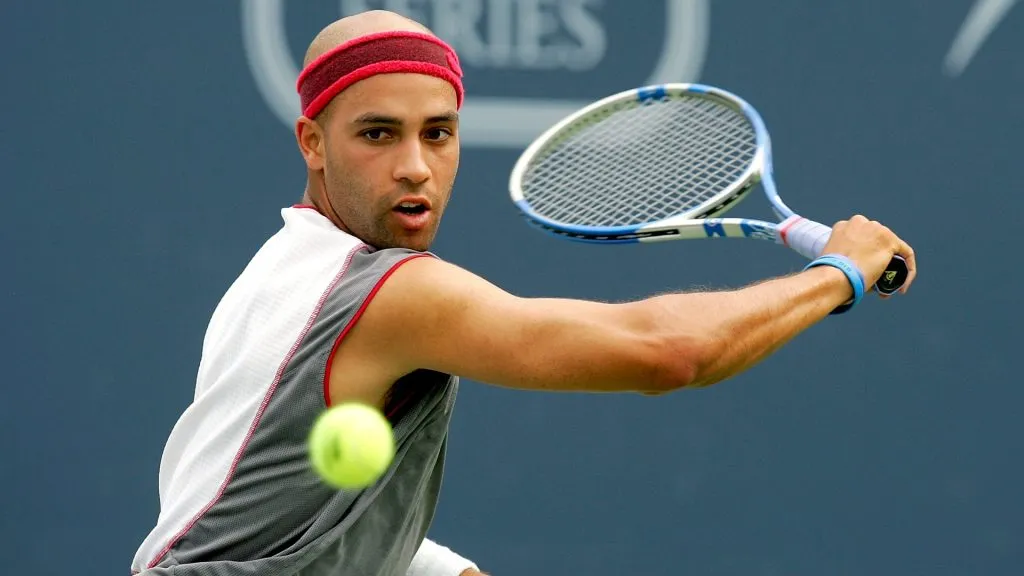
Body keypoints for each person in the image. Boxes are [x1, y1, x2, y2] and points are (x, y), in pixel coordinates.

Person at [131, 9, 917, 576]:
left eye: (437, 133)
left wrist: (429, 567)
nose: (415, 166)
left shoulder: (272, 277)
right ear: (312, 142)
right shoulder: (390, 293)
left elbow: (244, 511)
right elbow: (667, 352)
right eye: (378, 134)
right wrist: (835, 275)